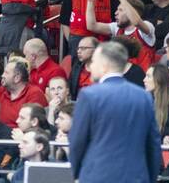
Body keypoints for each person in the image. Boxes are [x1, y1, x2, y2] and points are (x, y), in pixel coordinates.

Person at [68, 41, 161, 183]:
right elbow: (152, 144)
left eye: (94, 62)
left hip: (97, 176)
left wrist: (75, 174)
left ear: (104, 65)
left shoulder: (89, 95)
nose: (91, 67)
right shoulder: (144, 96)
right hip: (136, 177)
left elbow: (77, 141)